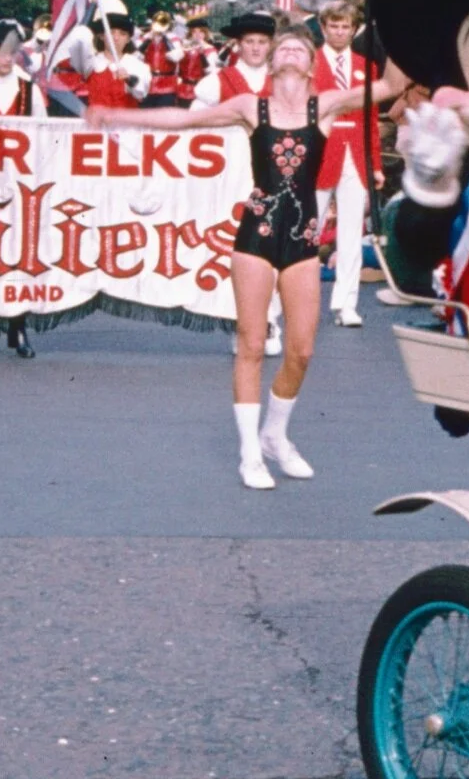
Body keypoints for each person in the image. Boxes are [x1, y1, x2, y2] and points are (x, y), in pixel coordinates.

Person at [89, 35, 400, 489]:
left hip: (302, 238)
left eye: (300, 47)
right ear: (271, 64)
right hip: (256, 233)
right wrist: (116, 115)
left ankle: (275, 434)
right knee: (252, 343)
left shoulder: (327, 105)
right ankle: (250, 452)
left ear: (312, 67)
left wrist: (414, 20)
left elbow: (391, 84)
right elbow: (184, 120)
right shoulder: (250, 107)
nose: (291, 49)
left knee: (302, 349)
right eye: (284, 46)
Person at [312, 0, 383, 328]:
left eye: (345, 27)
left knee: (351, 232)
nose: (339, 32)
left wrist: (376, 164)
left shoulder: (366, 67)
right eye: (334, 26)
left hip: (355, 153)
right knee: (306, 230)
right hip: (319, 152)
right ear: (323, 27)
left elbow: (371, 119)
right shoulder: (309, 63)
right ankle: (294, 299)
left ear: (354, 30)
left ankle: (346, 304)